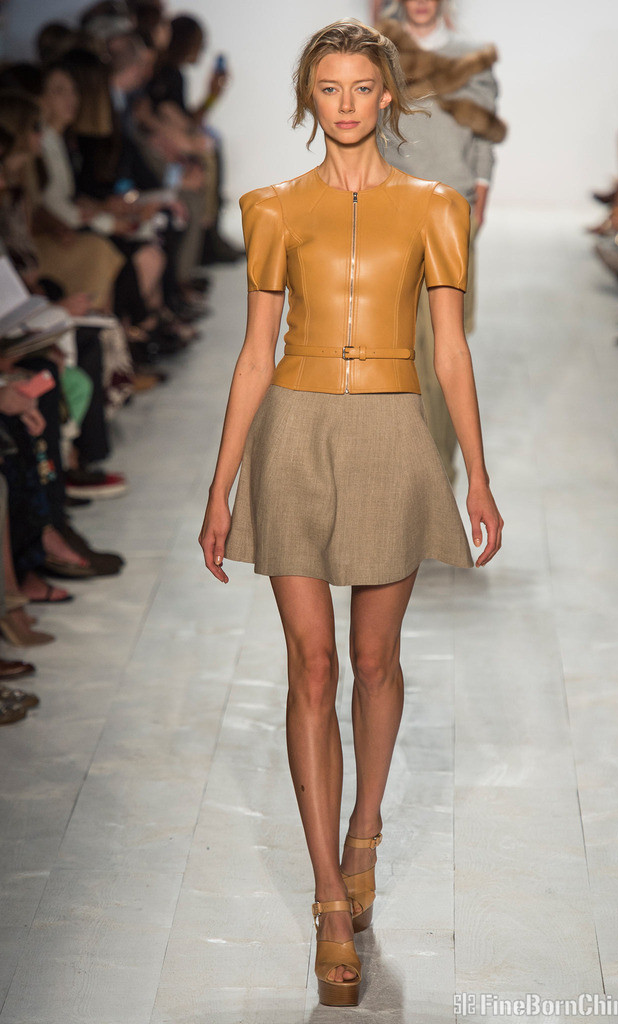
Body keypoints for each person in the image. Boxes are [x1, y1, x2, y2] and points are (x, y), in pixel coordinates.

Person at [198, 17, 503, 1007]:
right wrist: (219, 485)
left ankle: (363, 828)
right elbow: (254, 353)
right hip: (291, 432)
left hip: (390, 431)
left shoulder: (435, 207)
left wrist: (477, 475)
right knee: (312, 664)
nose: (344, 104)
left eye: (360, 87)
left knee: (373, 659)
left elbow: (448, 350)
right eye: (327, 87)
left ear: (387, 97)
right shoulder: (271, 208)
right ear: (307, 97)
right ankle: (330, 896)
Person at [378, 0, 504, 484]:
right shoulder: (380, 51)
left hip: (453, 206)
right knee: (398, 344)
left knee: (443, 347)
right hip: (392, 206)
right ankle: (410, 461)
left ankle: (439, 468)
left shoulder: (472, 57)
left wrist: (481, 193)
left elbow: (484, 132)